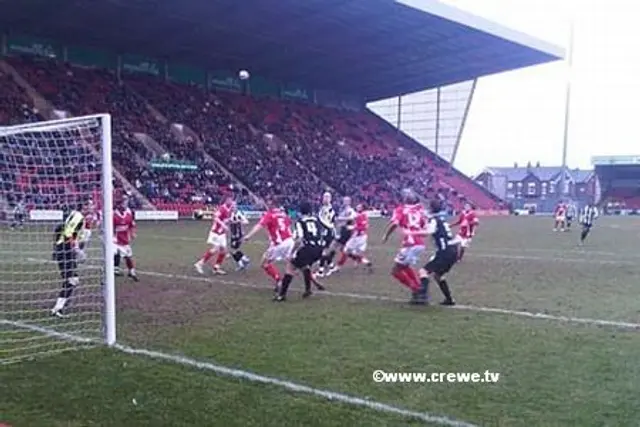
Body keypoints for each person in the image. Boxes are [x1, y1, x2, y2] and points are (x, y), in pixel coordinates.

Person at [382, 189, 427, 304]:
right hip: (420, 243)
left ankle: (417, 289)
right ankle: (418, 289)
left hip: (410, 243)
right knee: (405, 266)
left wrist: (386, 235)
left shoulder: (400, 209)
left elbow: (395, 224)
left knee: (395, 270)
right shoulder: (419, 210)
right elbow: (424, 226)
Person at [274, 201, 326, 302]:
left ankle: (281, 295)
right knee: (305, 266)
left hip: (308, 248)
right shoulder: (316, 220)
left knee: (290, 267)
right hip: (319, 249)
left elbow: (299, 239)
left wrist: (292, 252)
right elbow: (321, 234)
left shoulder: (300, 221)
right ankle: (308, 290)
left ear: (300, 211)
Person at [244, 198, 294, 291]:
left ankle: (279, 280)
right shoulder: (283, 214)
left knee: (264, 263)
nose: (266, 205)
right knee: (294, 263)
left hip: (279, 244)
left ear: (271, 205)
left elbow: (259, 226)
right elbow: (289, 226)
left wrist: (248, 236)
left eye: (267, 203)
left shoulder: (269, 214)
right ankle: (311, 281)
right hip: (290, 241)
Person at [415, 199, 459, 306]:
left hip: (445, 251)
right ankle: (449, 299)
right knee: (438, 276)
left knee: (423, 272)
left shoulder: (434, 220)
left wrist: (412, 232)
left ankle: (422, 298)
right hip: (453, 250)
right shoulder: (442, 219)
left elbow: (429, 231)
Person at [50, 207, 85, 318]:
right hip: (65, 250)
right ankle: (57, 308)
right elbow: (68, 232)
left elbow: (65, 231)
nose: (92, 207)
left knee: (71, 280)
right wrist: (75, 248)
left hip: (65, 249)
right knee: (72, 280)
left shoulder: (76, 215)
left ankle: (60, 305)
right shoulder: (78, 216)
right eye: (90, 205)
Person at [194, 196, 234, 275]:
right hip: (216, 232)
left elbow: (226, 219)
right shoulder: (222, 208)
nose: (231, 201)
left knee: (223, 251)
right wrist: (223, 224)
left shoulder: (229, 209)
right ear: (226, 200)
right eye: (230, 199)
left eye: (232, 200)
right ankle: (199, 264)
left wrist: (229, 222)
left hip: (222, 233)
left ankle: (216, 268)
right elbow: (215, 217)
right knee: (215, 249)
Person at [335, 203, 372, 272]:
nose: (357, 207)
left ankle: (338, 266)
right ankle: (365, 262)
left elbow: (361, 226)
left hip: (357, 237)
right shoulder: (364, 215)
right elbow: (364, 225)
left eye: (359, 206)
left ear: (362, 208)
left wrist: (352, 227)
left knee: (345, 250)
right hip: (363, 237)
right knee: (354, 253)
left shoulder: (360, 215)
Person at [113, 196, 138, 281]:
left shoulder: (128, 215)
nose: (125, 205)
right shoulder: (113, 215)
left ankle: (131, 271)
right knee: (113, 254)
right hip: (115, 241)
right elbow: (109, 228)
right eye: (123, 203)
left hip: (124, 240)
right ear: (118, 205)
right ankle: (110, 272)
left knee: (128, 256)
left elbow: (132, 225)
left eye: (126, 203)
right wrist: (112, 237)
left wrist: (132, 233)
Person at [316, 191, 336, 277]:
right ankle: (331, 266)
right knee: (326, 250)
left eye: (326, 197)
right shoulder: (328, 208)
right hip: (329, 231)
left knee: (323, 251)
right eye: (324, 197)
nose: (324, 199)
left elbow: (323, 221)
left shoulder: (325, 209)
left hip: (327, 231)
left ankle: (321, 271)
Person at [229, 203, 251, 271]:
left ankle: (243, 262)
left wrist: (239, 221)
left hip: (239, 234)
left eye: (234, 207)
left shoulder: (240, 214)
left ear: (236, 207)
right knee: (234, 250)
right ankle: (244, 261)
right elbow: (231, 222)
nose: (232, 208)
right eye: (232, 207)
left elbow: (247, 222)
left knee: (233, 250)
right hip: (233, 234)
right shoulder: (231, 214)